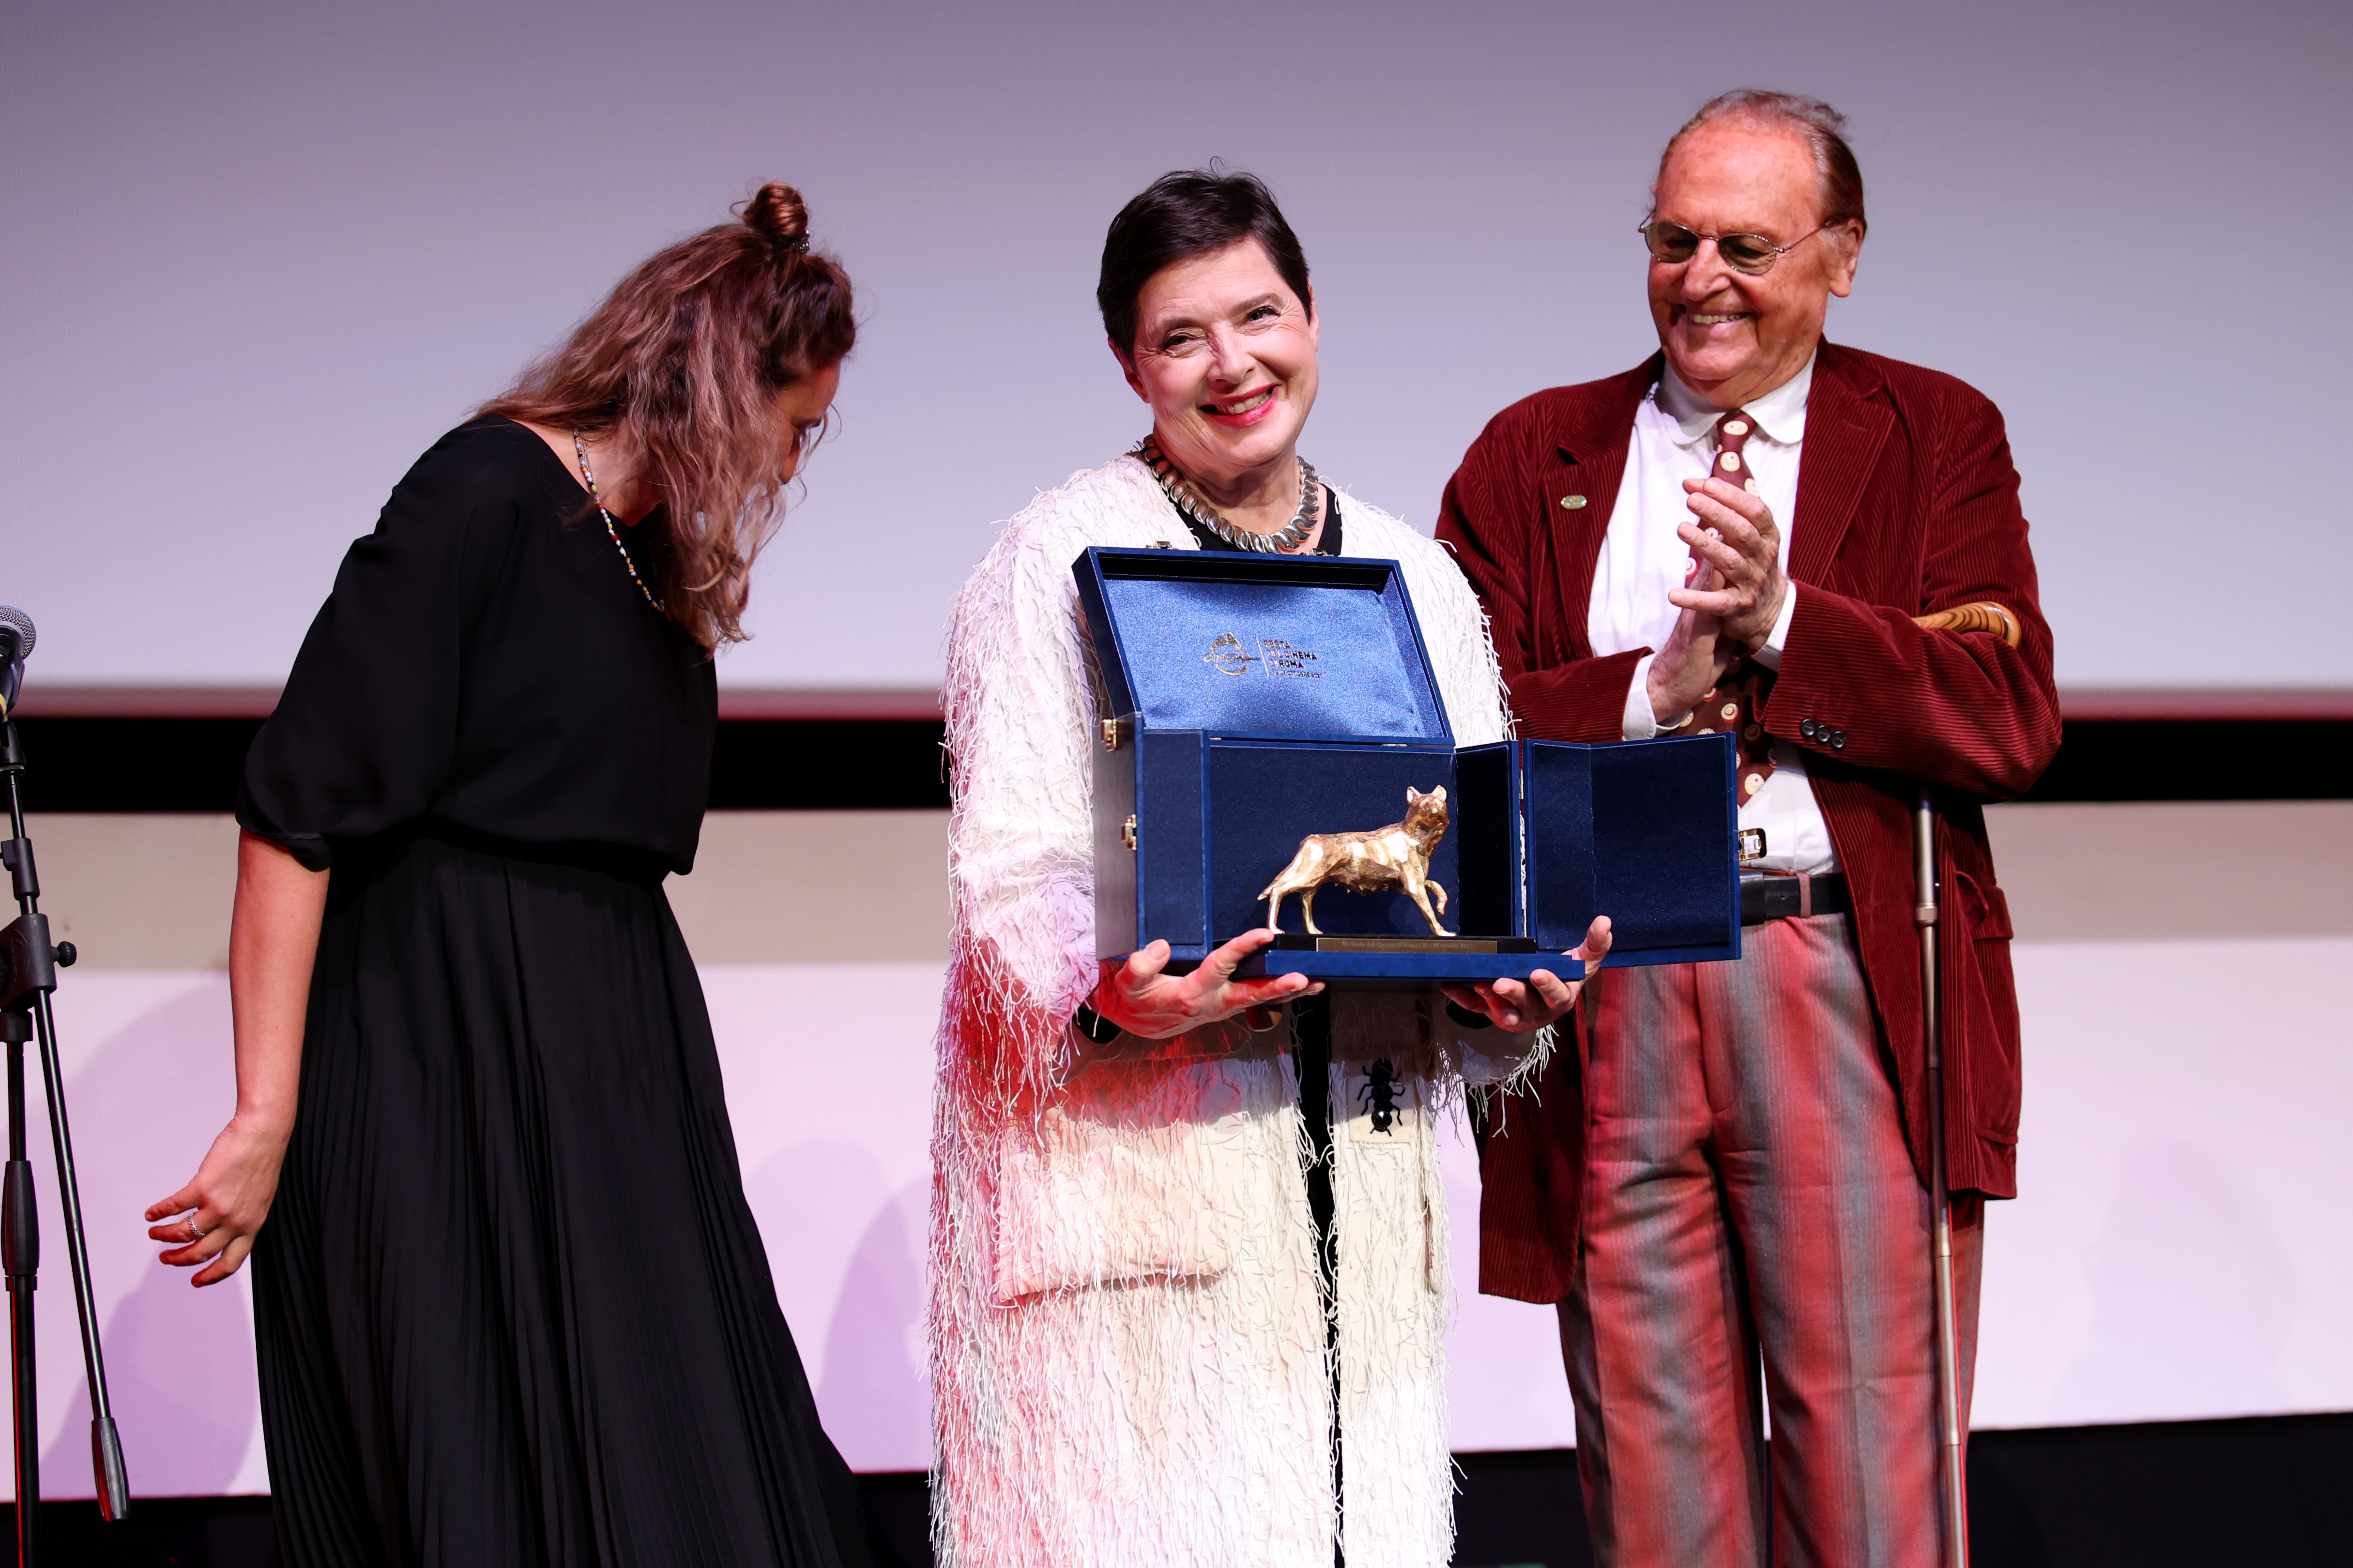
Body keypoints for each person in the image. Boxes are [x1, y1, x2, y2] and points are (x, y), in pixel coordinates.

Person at [144, 184, 874, 1568]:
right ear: (725, 388)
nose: (792, 461)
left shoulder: (655, 564)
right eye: (795, 423)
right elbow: (294, 811)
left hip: (611, 1057)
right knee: (485, 1464)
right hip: (445, 1048)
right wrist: (263, 1112)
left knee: (696, 1459)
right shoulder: (483, 495)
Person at [928, 169, 1609, 1568]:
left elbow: (1477, 857)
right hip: (1147, 1195)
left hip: (1359, 1183)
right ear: (1131, 363)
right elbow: (1012, 876)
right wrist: (1114, 998)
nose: (1234, 364)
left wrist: (1502, 997)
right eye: (1184, 337)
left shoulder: (1414, 578)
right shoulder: (1054, 559)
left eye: (1262, 315)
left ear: (1313, 318)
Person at [1438, 91, 2060, 1567]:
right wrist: (1657, 690)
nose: (1699, 276)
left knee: (1872, 1465)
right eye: (1674, 237)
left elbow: (2006, 709)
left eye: (1746, 244)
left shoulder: (1931, 433)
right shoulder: (1539, 453)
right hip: (1613, 985)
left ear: (1843, 258)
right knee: (1653, 1477)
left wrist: (1783, 623)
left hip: (1830, 971)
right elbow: (1456, 724)